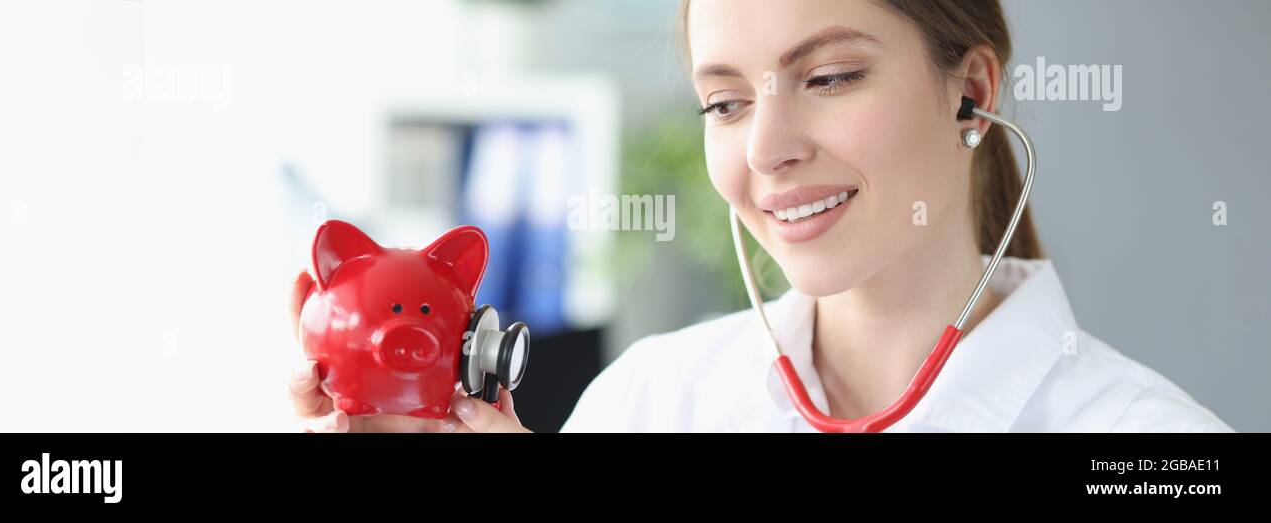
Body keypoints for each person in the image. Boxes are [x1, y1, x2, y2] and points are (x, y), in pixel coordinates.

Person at [288, 0, 1232, 433]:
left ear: (971, 93)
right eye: (725, 102)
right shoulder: (646, 402)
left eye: (828, 77)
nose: (766, 148)